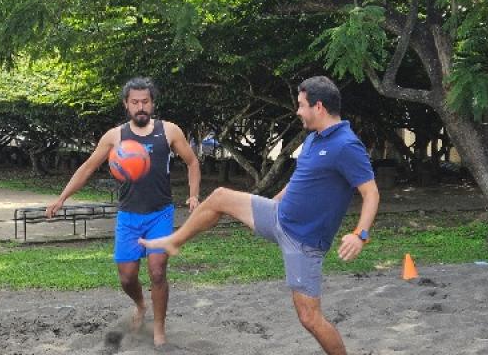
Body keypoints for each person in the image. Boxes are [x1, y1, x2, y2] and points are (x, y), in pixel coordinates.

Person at [140, 76, 379, 355]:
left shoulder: (346, 145)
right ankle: (175, 241)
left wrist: (360, 234)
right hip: (278, 216)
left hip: (303, 242)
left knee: (309, 317)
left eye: (301, 106)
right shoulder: (314, 137)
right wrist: (272, 202)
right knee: (219, 197)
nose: (298, 111)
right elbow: (301, 178)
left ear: (320, 107)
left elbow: (371, 193)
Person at [45, 77, 201, 347]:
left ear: (152, 104)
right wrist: (62, 197)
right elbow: (87, 168)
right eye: (135, 102)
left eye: (145, 102)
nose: (141, 106)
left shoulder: (169, 131)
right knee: (127, 277)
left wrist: (194, 194)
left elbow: (192, 161)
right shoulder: (115, 136)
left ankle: (159, 330)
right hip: (129, 216)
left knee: (158, 271)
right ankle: (141, 304)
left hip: (160, 214)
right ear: (126, 105)